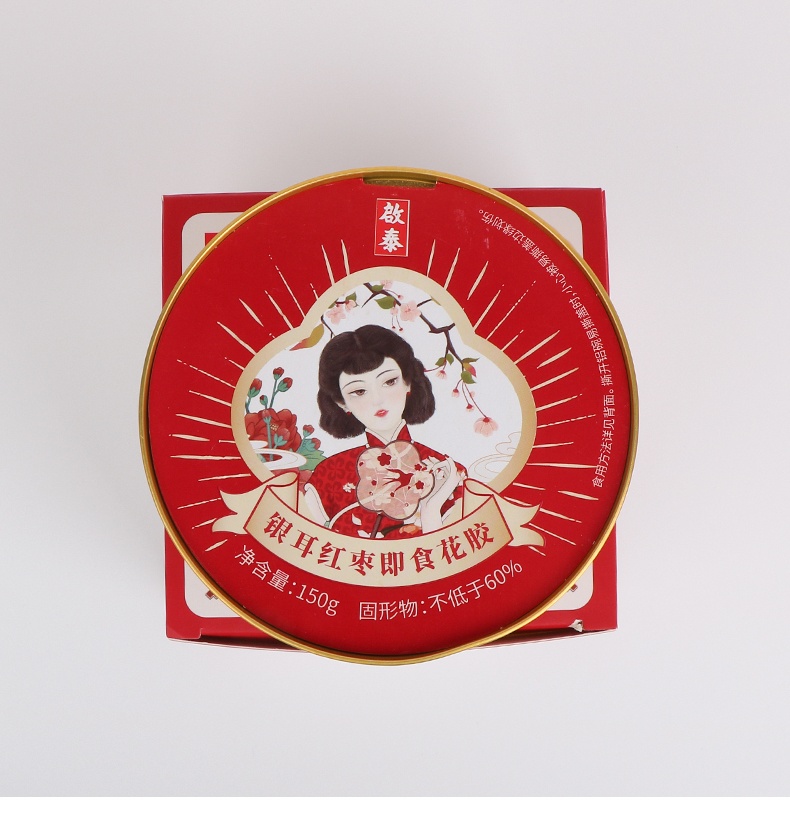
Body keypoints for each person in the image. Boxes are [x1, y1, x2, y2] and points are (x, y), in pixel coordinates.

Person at [303, 325, 465, 539]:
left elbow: (454, 552)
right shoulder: (328, 474)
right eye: (359, 391)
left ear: (408, 383)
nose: (377, 400)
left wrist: (431, 509)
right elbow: (299, 544)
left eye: (389, 382)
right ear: (342, 403)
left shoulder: (447, 472)